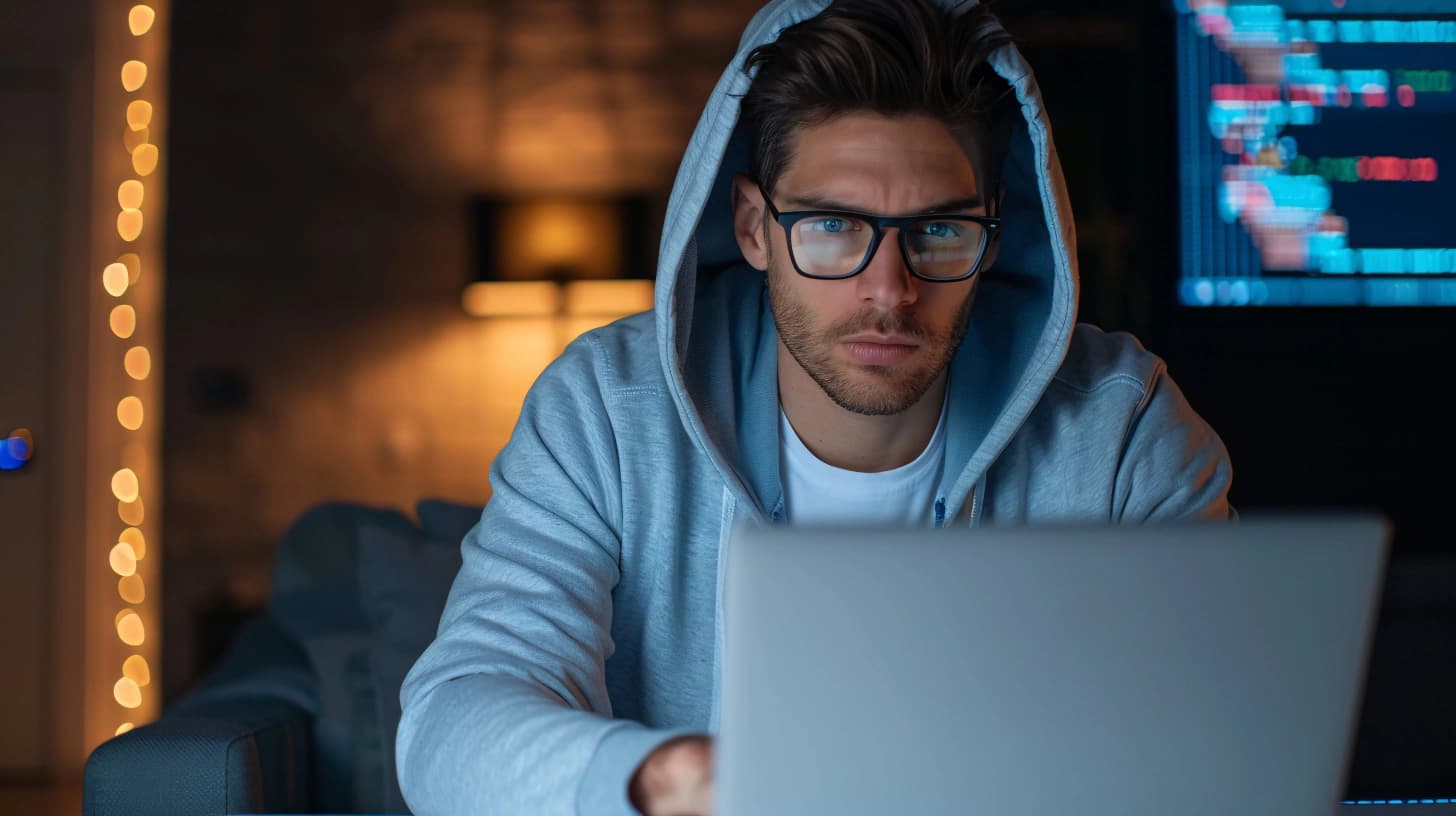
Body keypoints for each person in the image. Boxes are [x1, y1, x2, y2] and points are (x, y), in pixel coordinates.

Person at [397, 0, 1234, 814]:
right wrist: (672, 780)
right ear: (756, 228)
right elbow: (453, 725)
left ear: (995, 236)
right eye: (834, 224)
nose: (889, 291)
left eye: (939, 231)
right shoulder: (607, 411)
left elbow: (1219, 739)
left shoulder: (1122, 430)